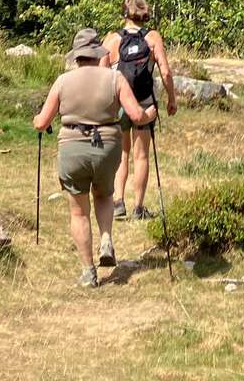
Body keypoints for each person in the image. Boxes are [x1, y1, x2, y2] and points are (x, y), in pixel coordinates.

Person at [32, 28, 156, 286]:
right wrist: (150, 114)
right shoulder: (115, 78)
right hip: (107, 148)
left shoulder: (62, 81)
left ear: (77, 56)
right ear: (98, 53)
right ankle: (106, 238)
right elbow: (136, 115)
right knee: (104, 195)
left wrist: (36, 120)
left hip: (73, 148)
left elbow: (42, 123)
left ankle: (89, 271)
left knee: (79, 211)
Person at [101, 0, 177, 220]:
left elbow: (101, 73)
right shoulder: (152, 38)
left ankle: (118, 202)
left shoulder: (112, 39)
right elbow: (165, 72)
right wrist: (171, 99)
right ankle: (138, 207)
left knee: (122, 153)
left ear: (125, 13)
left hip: (120, 103)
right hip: (144, 102)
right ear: (145, 13)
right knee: (141, 155)